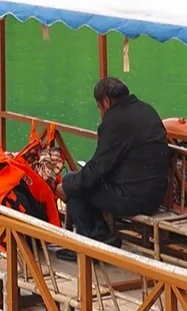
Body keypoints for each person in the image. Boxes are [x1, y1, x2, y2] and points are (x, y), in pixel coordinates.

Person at [58, 77, 170, 247]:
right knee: (79, 183)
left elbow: (98, 167)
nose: (101, 114)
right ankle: (100, 234)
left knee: (72, 184)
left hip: (132, 198)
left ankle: (90, 246)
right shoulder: (147, 110)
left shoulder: (115, 121)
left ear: (106, 101)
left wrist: (66, 188)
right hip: (155, 195)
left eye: (99, 108)